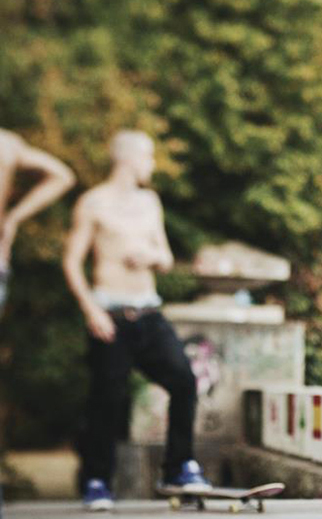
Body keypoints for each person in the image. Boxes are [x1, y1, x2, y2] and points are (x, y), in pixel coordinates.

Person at [63, 130, 209, 511]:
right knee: (107, 401)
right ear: (129, 159)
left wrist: (149, 257)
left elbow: (164, 256)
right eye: (149, 157)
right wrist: (91, 309)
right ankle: (97, 480)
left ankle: (178, 467)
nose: (153, 164)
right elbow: (71, 262)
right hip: (110, 315)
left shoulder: (150, 202)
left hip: (149, 313)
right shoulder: (93, 203)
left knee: (184, 380)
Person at [0, 128, 76, 316]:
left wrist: (13, 218)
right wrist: (13, 218)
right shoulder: (5, 143)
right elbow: (62, 176)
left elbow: (63, 177)